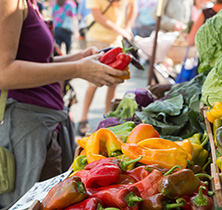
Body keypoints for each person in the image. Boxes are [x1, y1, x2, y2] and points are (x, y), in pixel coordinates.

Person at [0, 0, 127, 209]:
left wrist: (80, 60)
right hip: (24, 132)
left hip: (44, 126)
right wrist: (77, 69)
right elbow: (4, 73)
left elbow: (35, 63)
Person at [77, 0, 137, 136]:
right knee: (93, 80)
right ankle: (83, 118)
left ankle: (107, 118)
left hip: (116, 39)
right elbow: (98, 16)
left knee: (114, 79)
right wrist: (121, 30)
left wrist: (128, 27)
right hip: (97, 38)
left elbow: (134, 7)